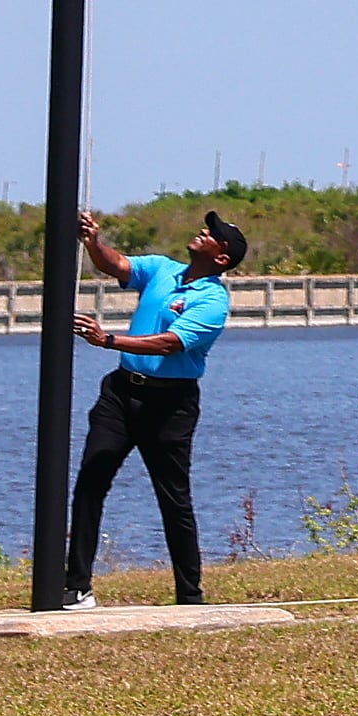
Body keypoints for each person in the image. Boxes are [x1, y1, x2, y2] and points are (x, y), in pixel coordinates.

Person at [64, 206, 242, 609]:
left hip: (170, 405)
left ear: (221, 258)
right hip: (121, 394)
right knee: (91, 481)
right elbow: (118, 266)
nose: (202, 230)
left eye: (212, 233)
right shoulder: (163, 269)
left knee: (173, 498)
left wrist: (108, 340)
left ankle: (189, 596)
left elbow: (169, 343)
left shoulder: (212, 301)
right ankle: (77, 587)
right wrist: (93, 242)